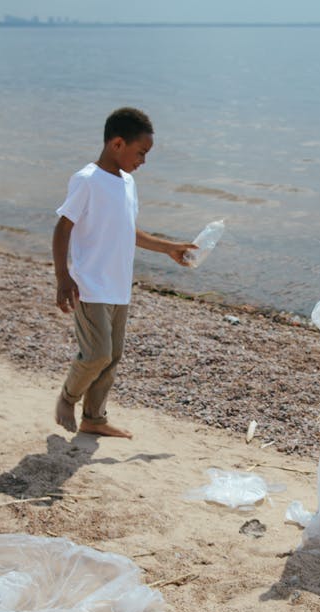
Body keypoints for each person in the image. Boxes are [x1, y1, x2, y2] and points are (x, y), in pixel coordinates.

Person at [52, 107, 196, 439]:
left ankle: (94, 418)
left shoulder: (128, 183)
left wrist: (169, 247)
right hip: (89, 285)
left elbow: (128, 231)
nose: (143, 160)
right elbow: (63, 227)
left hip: (119, 287)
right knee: (97, 354)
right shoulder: (88, 180)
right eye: (141, 152)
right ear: (118, 144)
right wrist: (63, 276)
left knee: (112, 358)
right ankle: (67, 398)